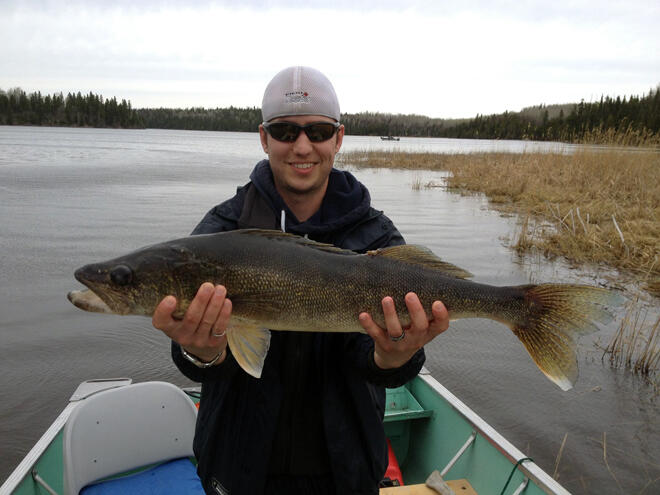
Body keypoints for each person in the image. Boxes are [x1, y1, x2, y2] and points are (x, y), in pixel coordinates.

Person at [152, 66, 450, 495]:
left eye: (318, 130)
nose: (303, 146)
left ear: (339, 138)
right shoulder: (223, 230)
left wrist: (394, 356)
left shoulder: (377, 237)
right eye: (286, 131)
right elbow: (195, 359)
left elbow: (379, 362)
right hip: (238, 470)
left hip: (345, 471)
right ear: (263, 137)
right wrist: (201, 354)